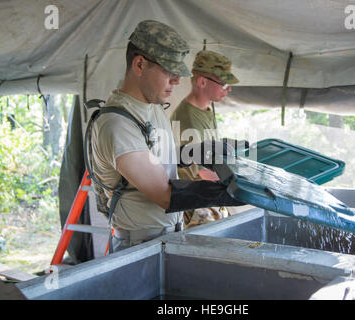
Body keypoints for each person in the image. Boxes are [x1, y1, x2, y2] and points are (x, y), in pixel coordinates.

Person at [89, 20, 244, 252]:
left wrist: (194, 152)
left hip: (168, 233)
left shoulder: (151, 107)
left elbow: (156, 157)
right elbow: (165, 194)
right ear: (139, 65)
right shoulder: (117, 123)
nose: (177, 81)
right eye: (169, 72)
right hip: (139, 244)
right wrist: (234, 193)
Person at [170, 50, 246, 228]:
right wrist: (240, 178)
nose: (229, 89)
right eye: (224, 83)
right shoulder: (188, 118)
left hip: (208, 199)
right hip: (197, 206)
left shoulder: (205, 111)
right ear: (202, 81)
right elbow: (201, 172)